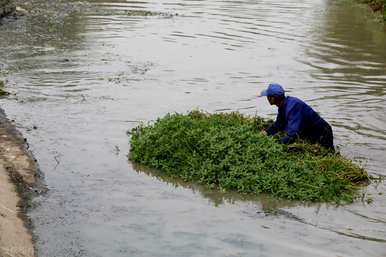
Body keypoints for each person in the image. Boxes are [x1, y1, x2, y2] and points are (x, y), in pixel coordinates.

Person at [260, 83, 334, 150]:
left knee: (327, 152)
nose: (267, 98)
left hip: (322, 133)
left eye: (268, 96)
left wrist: (275, 144)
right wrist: (266, 132)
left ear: (272, 98)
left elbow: (292, 135)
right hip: (310, 132)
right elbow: (279, 124)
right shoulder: (283, 105)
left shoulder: (292, 107)